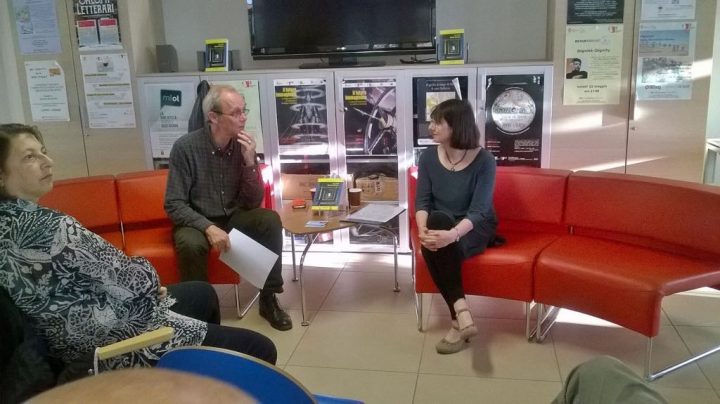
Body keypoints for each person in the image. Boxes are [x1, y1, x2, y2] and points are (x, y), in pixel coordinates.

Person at [0, 124, 277, 379]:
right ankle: (194, 369)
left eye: (43, 151)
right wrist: (148, 284)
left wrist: (249, 162)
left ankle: (196, 377)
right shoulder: (51, 227)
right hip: (111, 344)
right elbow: (136, 281)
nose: (47, 161)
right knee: (260, 348)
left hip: (79, 331)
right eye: (29, 157)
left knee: (202, 293)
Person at [164, 85, 292, 331]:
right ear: (213, 117)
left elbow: (252, 202)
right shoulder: (185, 147)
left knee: (269, 220)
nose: (243, 118)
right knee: (190, 244)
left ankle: (268, 298)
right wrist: (208, 227)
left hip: (233, 216)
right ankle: (199, 313)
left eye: (244, 111)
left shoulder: (242, 146)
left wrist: (249, 162)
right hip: (195, 220)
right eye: (235, 113)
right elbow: (174, 203)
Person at [414, 99, 498, 354]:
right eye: (431, 121)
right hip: (442, 222)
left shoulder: (485, 160)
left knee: (438, 245)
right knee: (435, 224)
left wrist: (452, 235)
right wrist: (423, 231)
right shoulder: (428, 157)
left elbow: (480, 211)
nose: (431, 127)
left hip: (474, 226)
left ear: (457, 126)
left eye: (438, 122)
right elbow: (422, 202)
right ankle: (461, 310)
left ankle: (455, 320)